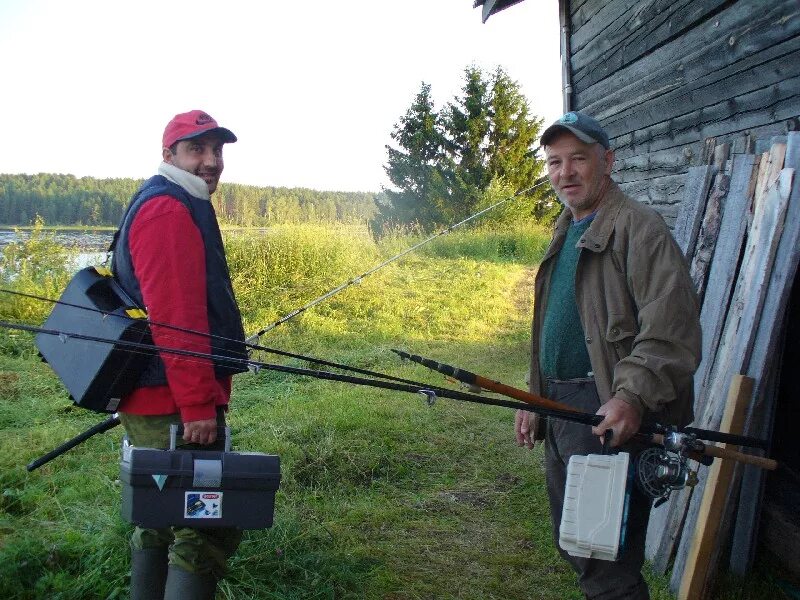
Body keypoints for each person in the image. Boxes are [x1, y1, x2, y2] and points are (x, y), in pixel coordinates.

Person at [514, 111, 702, 599]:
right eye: (555, 162)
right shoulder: (566, 228)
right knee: (579, 544)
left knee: (605, 562)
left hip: (604, 408)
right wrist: (534, 399)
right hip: (558, 409)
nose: (565, 173)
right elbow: (553, 330)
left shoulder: (641, 229)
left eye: (578, 158)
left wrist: (630, 397)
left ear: (608, 161)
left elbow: (671, 331)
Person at [111, 110, 249, 600]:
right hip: (173, 402)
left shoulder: (174, 199)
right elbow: (178, 320)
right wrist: (197, 405)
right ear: (169, 154)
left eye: (218, 151)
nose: (211, 161)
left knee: (158, 515)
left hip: (157, 396)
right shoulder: (169, 209)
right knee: (200, 527)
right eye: (198, 149)